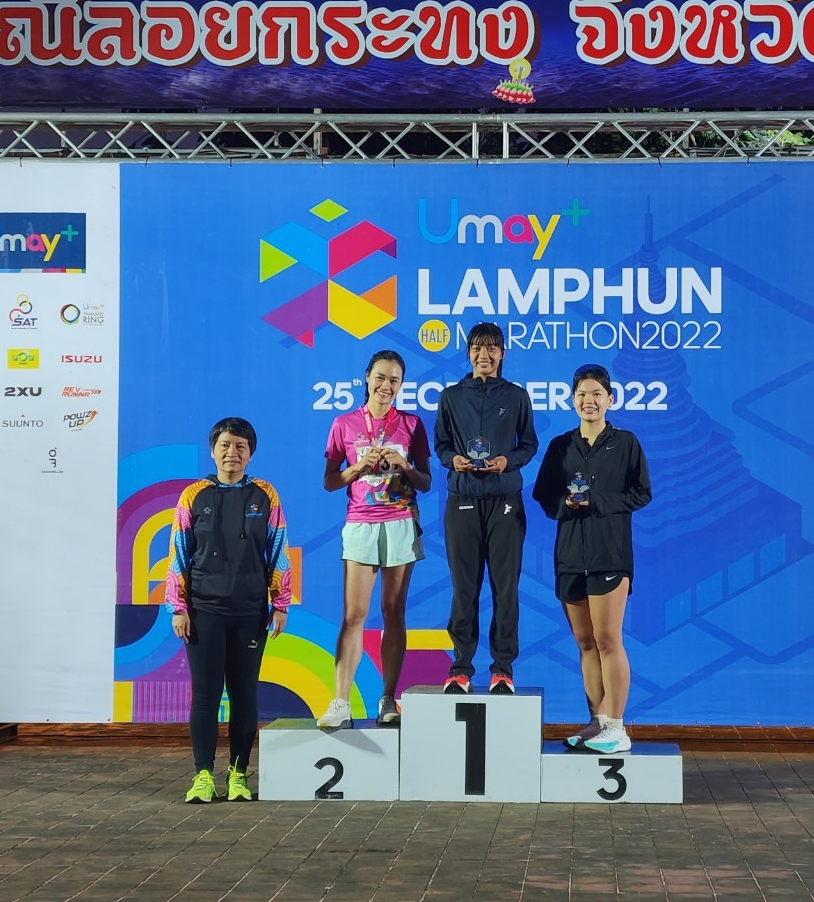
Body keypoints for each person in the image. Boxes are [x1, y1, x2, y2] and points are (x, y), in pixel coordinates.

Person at [165, 417, 292, 802]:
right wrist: (178, 607)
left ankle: (238, 774)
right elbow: (178, 552)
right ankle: (203, 775)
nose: (231, 453)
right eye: (224, 445)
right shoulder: (193, 496)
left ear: (250, 453)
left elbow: (279, 550)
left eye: (240, 446)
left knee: (244, 695)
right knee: (205, 695)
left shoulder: (265, 495)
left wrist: (280, 604)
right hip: (203, 611)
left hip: (250, 611)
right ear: (212, 451)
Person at [532, 364, 651, 753]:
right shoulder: (560, 446)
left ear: (610, 399)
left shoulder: (626, 443)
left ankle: (617, 726)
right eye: (582, 394)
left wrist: (597, 500)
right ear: (572, 400)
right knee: (585, 643)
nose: (589, 400)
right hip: (570, 557)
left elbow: (642, 493)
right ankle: (598, 722)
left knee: (608, 640)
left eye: (597, 394)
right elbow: (544, 496)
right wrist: (565, 505)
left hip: (609, 555)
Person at [317, 350, 432, 729]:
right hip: (361, 524)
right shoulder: (344, 424)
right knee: (354, 615)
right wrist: (356, 468)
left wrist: (405, 466)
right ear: (367, 378)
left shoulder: (412, 424)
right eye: (380, 377)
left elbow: (425, 483)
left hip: (401, 523)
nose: (386, 386)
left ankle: (387, 698)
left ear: (401, 385)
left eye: (394, 380)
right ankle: (340, 702)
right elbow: (330, 481)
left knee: (394, 612)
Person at [434, 322, 539, 694]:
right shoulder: (450, 396)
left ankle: (503, 669)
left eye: (492, 348)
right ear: (468, 353)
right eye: (478, 348)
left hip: (505, 502)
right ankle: (461, 668)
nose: (485, 355)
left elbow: (529, 445)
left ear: (502, 353)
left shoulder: (517, 396)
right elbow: (441, 445)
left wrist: (507, 462)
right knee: (464, 589)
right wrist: (453, 460)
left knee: (505, 589)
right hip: (462, 500)